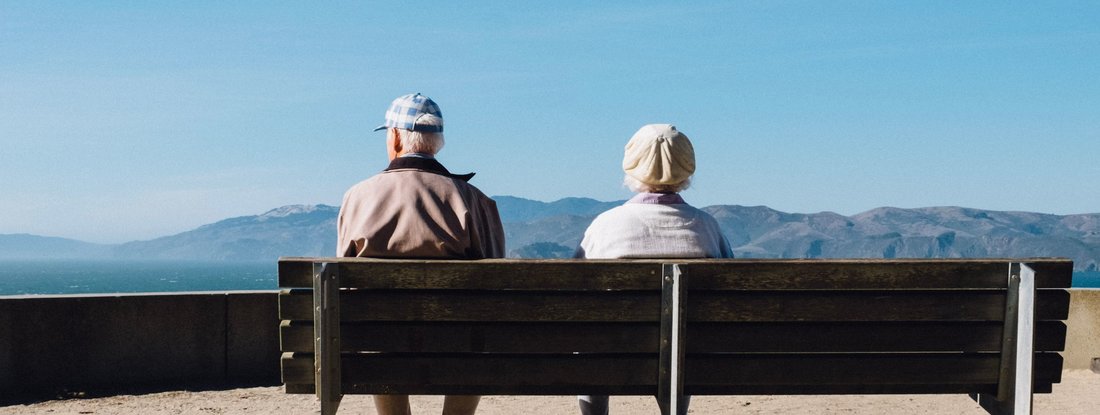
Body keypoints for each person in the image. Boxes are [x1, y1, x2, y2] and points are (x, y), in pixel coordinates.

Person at [337, 93, 505, 415]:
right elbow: (495, 288)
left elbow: (345, 286)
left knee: (376, 333)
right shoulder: (475, 201)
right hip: (458, 347)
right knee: (477, 336)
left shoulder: (357, 198)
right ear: (436, 142)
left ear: (396, 137)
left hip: (380, 345)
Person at [576, 124, 733, 415]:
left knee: (592, 343)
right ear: (688, 168)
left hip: (612, 354)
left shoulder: (605, 225)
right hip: (687, 359)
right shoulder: (706, 227)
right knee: (678, 345)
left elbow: (574, 292)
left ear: (631, 168)